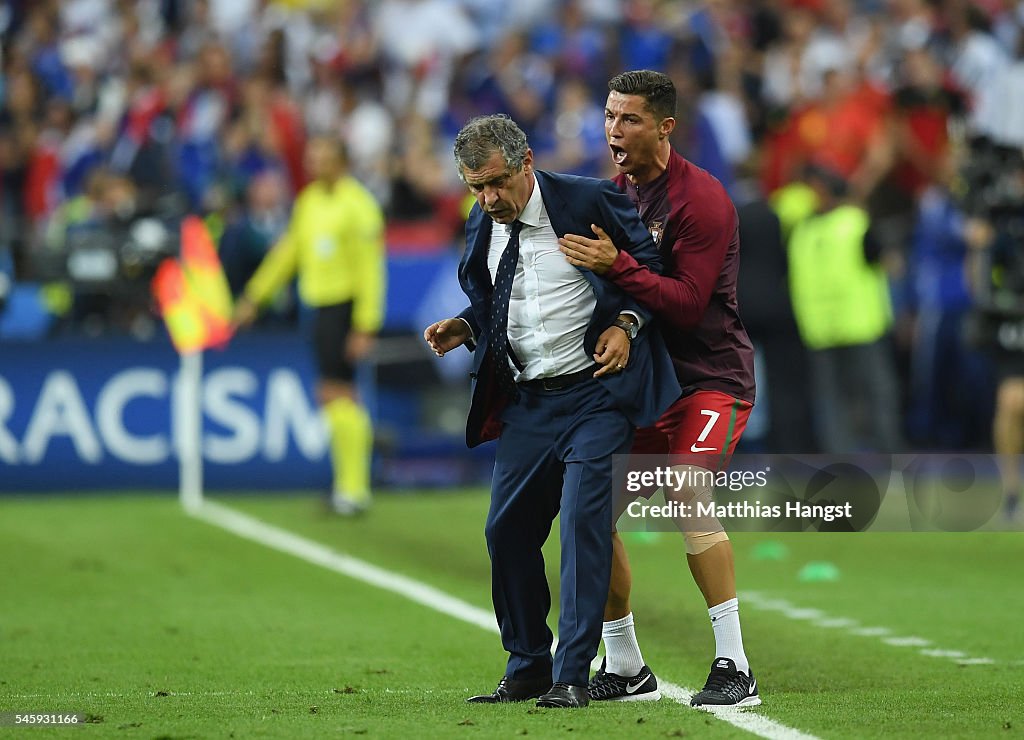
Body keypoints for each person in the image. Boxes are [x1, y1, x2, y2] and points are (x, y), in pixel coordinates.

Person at [423, 114, 679, 709]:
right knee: (505, 531)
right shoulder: (481, 224)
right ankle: (529, 665)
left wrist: (626, 322)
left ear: (527, 163)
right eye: (475, 187)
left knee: (582, 525)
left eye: (496, 183)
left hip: (596, 396)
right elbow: (494, 298)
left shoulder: (588, 200)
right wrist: (466, 324)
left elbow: (652, 273)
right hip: (530, 400)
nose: (488, 198)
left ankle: (573, 675)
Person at [558, 70, 759, 707]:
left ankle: (735, 664)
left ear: (665, 127)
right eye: (610, 117)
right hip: (648, 385)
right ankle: (625, 665)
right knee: (587, 506)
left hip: (710, 381)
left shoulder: (702, 201)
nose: (614, 131)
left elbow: (691, 305)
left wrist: (615, 265)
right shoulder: (614, 197)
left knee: (687, 485)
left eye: (630, 120)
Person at [233, 136, 385, 516]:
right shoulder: (309, 202)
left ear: (342, 162)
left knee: (339, 394)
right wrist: (255, 296)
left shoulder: (359, 207)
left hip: (344, 308)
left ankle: (353, 490)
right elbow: (288, 254)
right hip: (317, 307)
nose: (316, 165)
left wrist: (365, 324)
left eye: (324, 159)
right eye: (312, 158)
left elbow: (371, 271)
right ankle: (348, 488)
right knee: (333, 395)